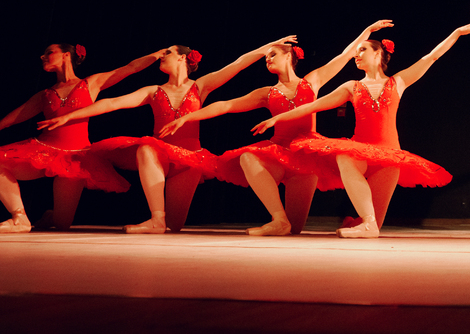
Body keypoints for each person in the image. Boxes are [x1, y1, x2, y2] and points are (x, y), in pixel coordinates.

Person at [36, 36, 298, 234]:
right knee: (146, 148)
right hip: (160, 155)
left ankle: (54, 216)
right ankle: (155, 218)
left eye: (168, 53)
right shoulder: (153, 90)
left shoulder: (200, 86)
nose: (162, 56)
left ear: (183, 58)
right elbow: (113, 102)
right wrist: (70, 115)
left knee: (176, 225)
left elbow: (237, 65)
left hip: (189, 159)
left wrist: (266, 48)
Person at [159, 21, 392, 236]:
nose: (267, 59)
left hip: (307, 158)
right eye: (266, 56)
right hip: (279, 153)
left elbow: (345, 55)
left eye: (272, 55)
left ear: (289, 57)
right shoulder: (266, 93)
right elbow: (226, 105)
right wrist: (187, 118)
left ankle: (293, 221)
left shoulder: (312, 82)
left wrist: (367, 32)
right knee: (248, 158)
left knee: (297, 229)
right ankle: (278, 218)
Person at [252, 23, 470, 238]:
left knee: (376, 222)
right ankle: (368, 223)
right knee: (345, 157)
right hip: (360, 152)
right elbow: (313, 105)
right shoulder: (352, 87)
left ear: (378, 54)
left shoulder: (398, 82)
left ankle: (368, 223)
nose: (357, 55)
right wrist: (278, 118)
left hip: (388, 156)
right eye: (356, 51)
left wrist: (457, 33)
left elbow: (431, 57)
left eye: (362, 50)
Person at [0, 44, 164, 232]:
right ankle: (19, 217)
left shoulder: (90, 84)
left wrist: (156, 55)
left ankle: (51, 216)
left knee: (62, 224)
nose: (42, 57)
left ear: (66, 55)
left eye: (49, 53)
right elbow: (11, 119)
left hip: (76, 159)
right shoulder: (44, 95)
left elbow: (130, 68)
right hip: (43, 151)